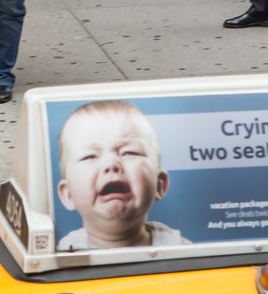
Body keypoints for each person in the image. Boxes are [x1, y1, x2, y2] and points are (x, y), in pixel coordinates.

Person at [55, 100, 188, 250]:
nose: (111, 164)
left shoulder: (181, 250)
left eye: (129, 153)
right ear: (68, 195)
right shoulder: (63, 255)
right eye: (90, 156)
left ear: (159, 184)